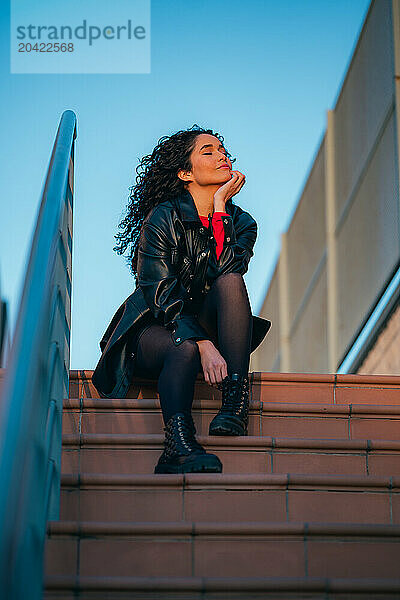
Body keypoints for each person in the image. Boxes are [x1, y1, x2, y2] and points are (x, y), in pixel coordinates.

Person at [94, 124, 271, 474]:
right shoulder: (162, 218)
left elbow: (226, 270)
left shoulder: (242, 223)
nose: (222, 155)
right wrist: (203, 342)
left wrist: (220, 208)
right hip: (154, 330)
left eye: (223, 149)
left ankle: (234, 401)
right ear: (185, 173)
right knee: (185, 347)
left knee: (232, 280)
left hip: (211, 329)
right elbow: (159, 292)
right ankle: (178, 445)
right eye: (208, 151)